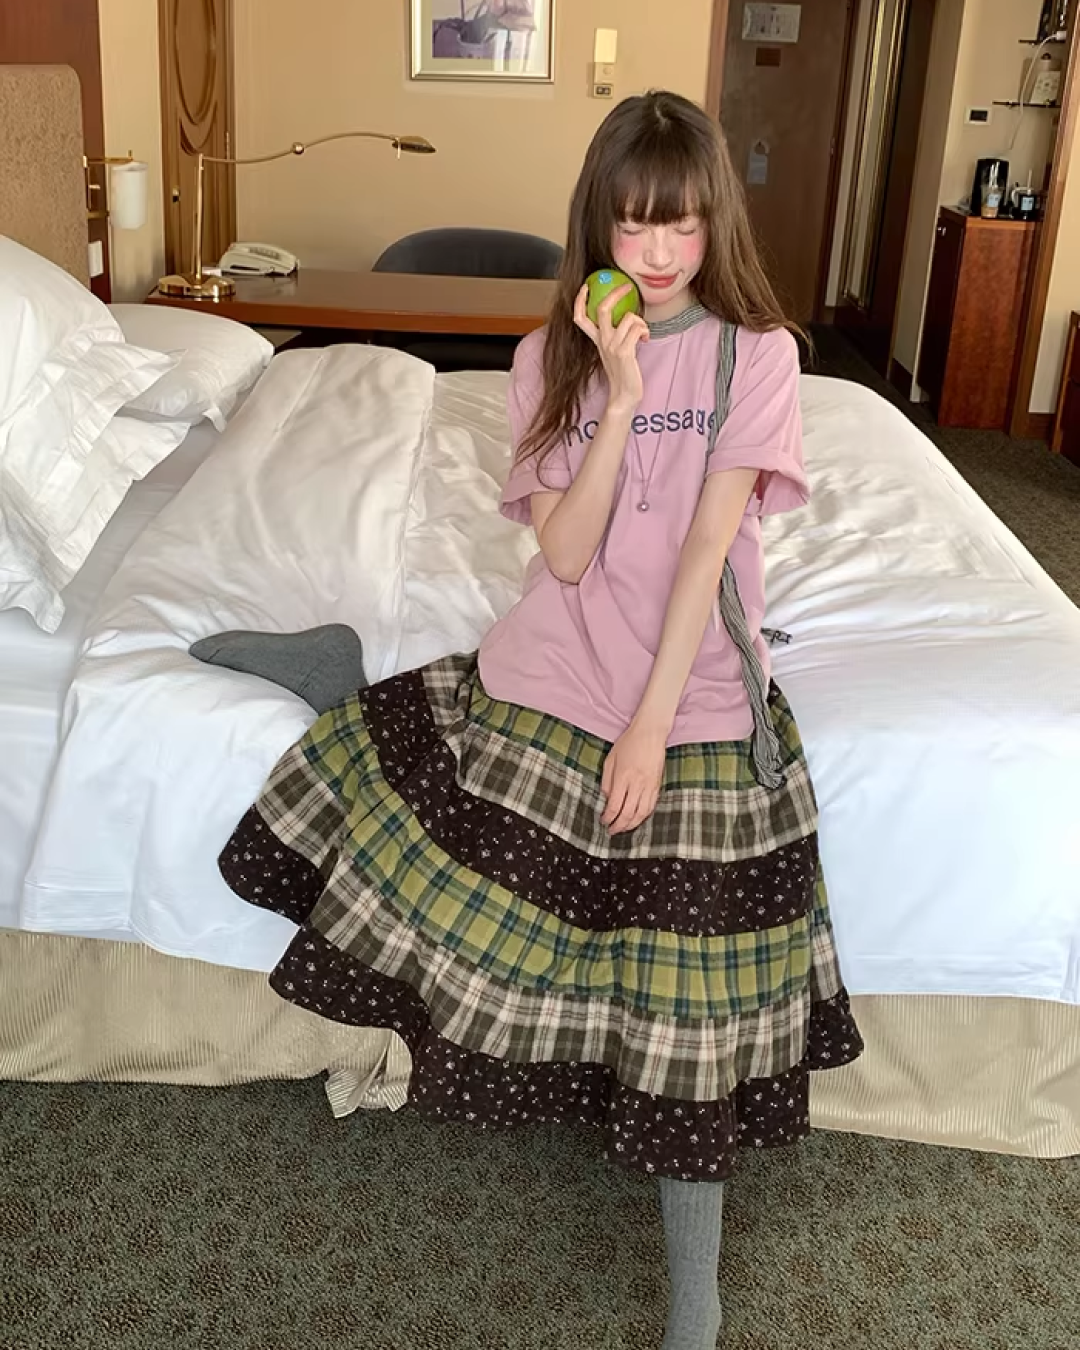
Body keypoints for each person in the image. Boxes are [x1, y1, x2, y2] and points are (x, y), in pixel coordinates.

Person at [208, 89, 863, 1350]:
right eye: (633, 225)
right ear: (598, 226)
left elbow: (709, 550)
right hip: (555, 660)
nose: (658, 254)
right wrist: (615, 390)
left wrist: (651, 728)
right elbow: (563, 556)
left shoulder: (760, 355)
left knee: (688, 998)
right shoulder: (545, 360)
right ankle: (336, 674)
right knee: (435, 843)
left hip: (692, 691)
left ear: (715, 223)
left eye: (681, 225)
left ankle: (694, 1297)